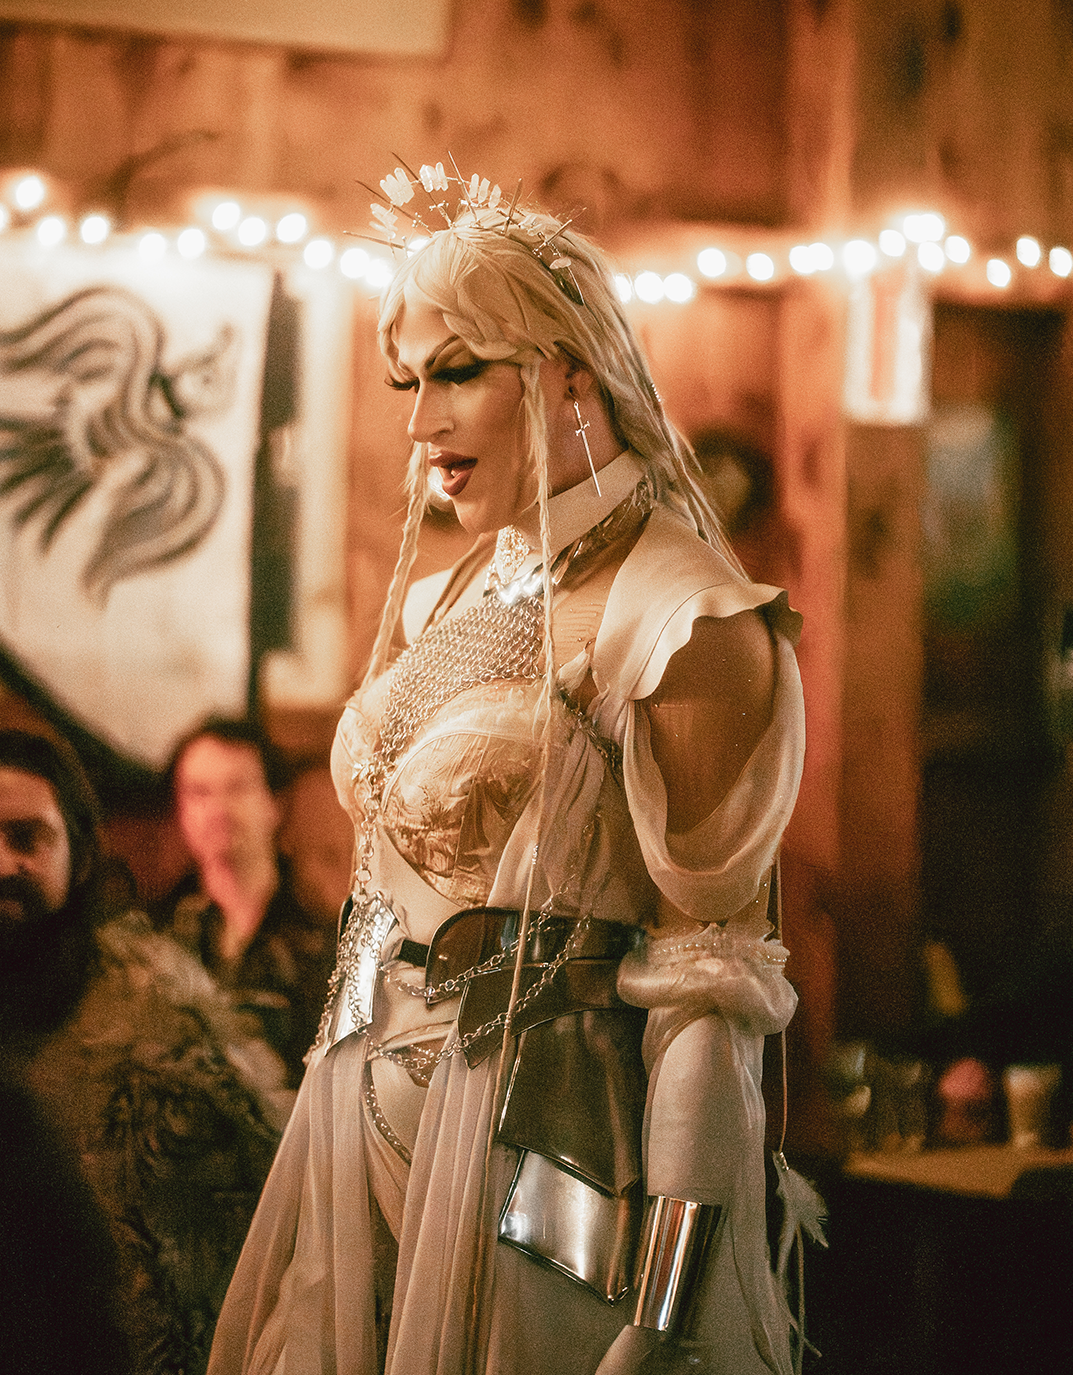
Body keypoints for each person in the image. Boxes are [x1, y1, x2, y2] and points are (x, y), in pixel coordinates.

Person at [209, 164, 806, 1375]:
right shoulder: (458, 582)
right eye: (406, 382)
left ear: (567, 372)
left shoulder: (683, 619)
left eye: (456, 372)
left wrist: (662, 1314)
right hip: (353, 1138)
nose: (419, 422)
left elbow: (708, 995)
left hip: (537, 1181)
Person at [0, 728, 284, 1375]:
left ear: (78, 850)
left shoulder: (156, 1032)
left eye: (27, 838)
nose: (2, 862)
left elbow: (222, 1286)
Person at [159, 718, 340, 1087]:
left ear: (275, 803)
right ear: (180, 809)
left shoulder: (328, 940)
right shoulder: (157, 935)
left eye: (238, 788)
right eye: (199, 792)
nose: (218, 809)